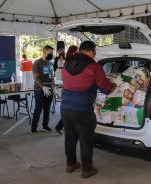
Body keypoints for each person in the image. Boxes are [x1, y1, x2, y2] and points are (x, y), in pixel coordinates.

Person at [61, 41, 116, 178]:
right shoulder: (94, 66)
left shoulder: (67, 64)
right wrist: (114, 85)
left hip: (65, 108)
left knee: (70, 138)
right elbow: (105, 88)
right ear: (91, 51)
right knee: (86, 140)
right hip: (83, 109)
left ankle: (71, 164)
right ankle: (87, 170)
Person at [31, 45, 55, 134]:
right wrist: (43, 87)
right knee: (38, 108)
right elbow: (36, 78)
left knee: (47, 109)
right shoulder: (37, 63)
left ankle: (45, 126)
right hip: (39, 90)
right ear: (44, 53)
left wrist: (53, 87)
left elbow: (52, 75)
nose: (52, 54)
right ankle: (33, 127)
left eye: (52, 53)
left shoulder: (51, 63)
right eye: (50, 53)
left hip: (50, 89)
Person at [55, 45, 78, 135]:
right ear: (73, 52)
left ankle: (61, 126)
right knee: (71, 111)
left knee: (70, 111)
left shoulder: (69, 61)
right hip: (70, 90)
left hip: (69, 89)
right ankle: (61, 126)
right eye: (77, 51)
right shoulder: (69, 63)